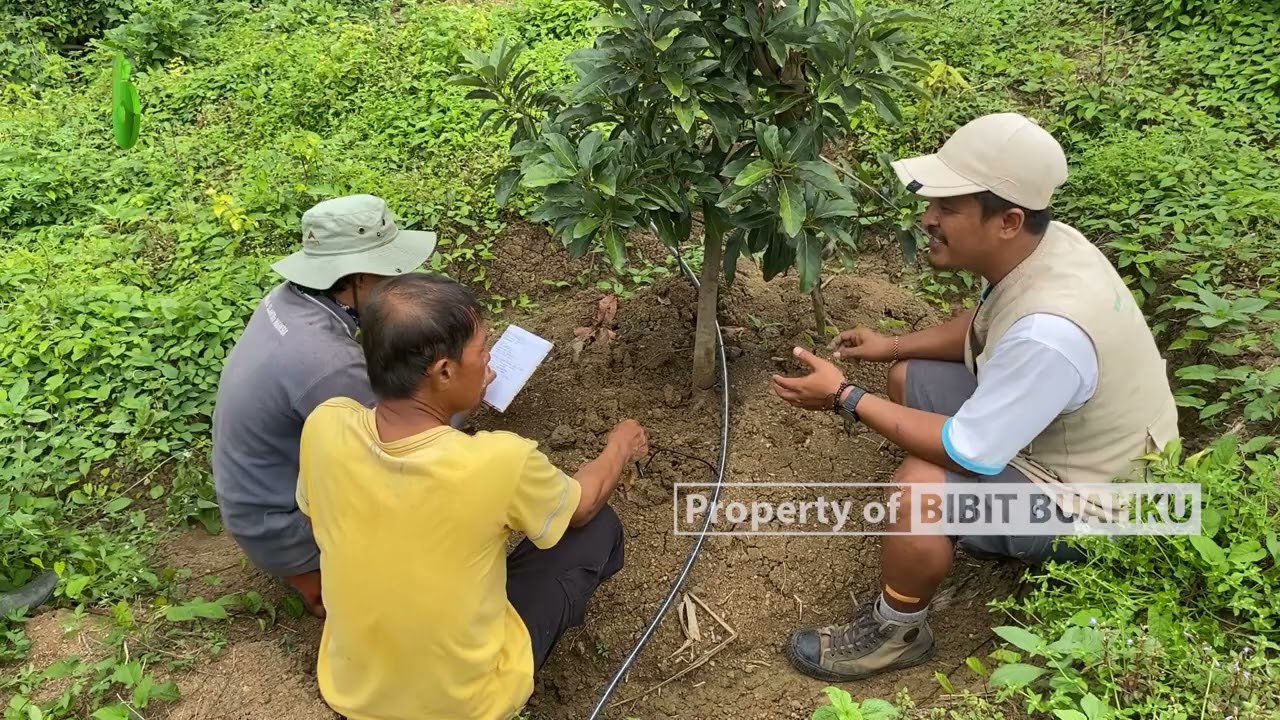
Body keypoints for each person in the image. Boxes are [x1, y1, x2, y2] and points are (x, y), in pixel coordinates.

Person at [770, 112, 1180, 681]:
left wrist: (842, 395)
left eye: (948, 207)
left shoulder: (1050, 332)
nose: (928, 218)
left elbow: (967, 450)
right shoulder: (1044, 247)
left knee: (919, 490)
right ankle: (963, 524)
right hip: (1065, 435)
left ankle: (896, 631)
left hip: (1095, 506)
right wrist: (891, 346)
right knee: (907, 381)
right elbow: (988, 320)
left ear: (1008, 220)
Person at [295, 272, 646, 720]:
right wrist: (619, 446)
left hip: (353, 689)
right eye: (483, 354)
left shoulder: (325, 425)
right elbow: (583, 505)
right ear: (443, 372)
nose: (491, 369)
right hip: (463, 706)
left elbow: (322, 518)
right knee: (597, 527)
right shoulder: (499, 461)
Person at [212, 194, 439, 618]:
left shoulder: (287, 301)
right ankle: (317, 577)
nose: (401, 278)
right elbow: (408, 440)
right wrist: (464, 393)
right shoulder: (326, 361)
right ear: (353, 277)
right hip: (279, 525)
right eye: (388, 270)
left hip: (252, 501)